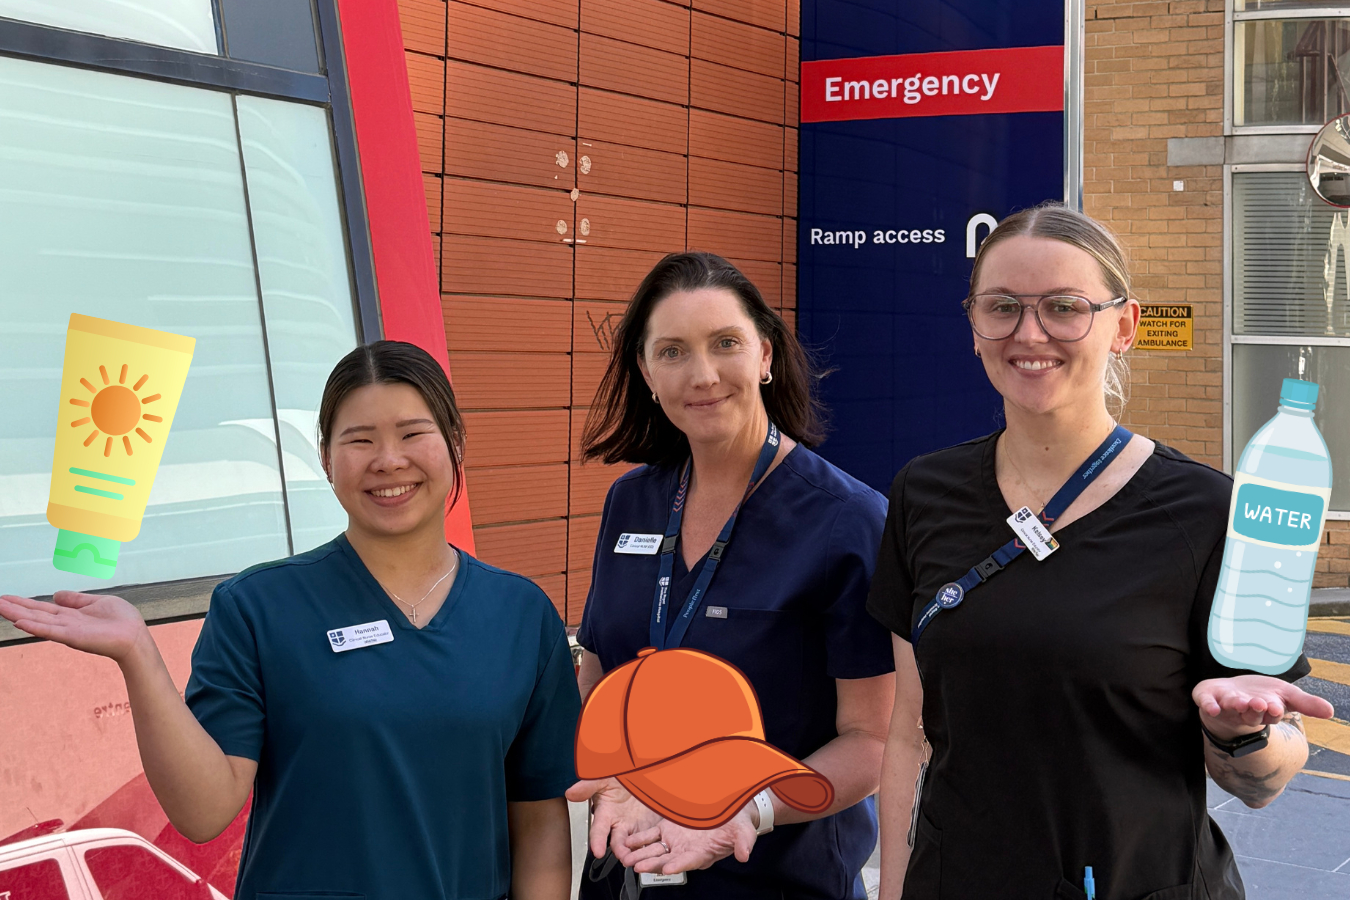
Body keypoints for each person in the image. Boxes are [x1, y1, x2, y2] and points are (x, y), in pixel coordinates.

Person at [866, 203, 1336, 899]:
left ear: (1124, 326)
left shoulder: (1207, 512)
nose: (1030, 333)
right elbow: (909, 733)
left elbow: (1264, 780)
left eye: (1064, 306)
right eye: (1002, 307)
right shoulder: (923, 492)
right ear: (973, 325)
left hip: (1135, 882)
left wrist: (1241, 735)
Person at [0, 341, 580, 900]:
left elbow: (539, 819)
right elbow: (203, 812)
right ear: (326, 458)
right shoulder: (257, 607)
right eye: (359, 439)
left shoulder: (521, 617)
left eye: (412, 434)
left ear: (454, 443)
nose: (388, 460)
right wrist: (139, 655)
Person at [567, 251, 897, 899]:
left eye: (726, 344)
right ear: (646, 371)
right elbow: (600, 671)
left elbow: (874, 739)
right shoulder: (630, 502)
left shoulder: (849, 522)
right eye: (673, 352)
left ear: (766, 356)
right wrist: (612, 779)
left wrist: (745, 811)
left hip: (776, 876)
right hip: (625, 865)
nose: (704, 374)